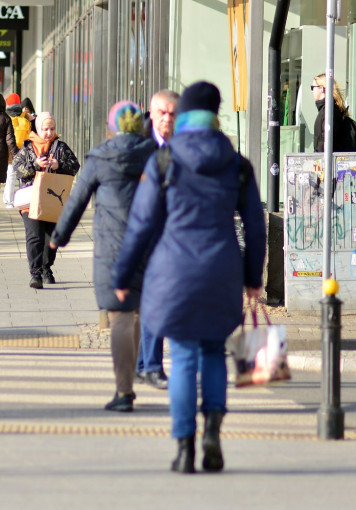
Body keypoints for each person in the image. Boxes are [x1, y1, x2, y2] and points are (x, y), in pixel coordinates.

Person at [112, 81, 266, 473]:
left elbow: (142, 224)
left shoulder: (164, 161)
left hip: (173, 272)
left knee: (181, 359)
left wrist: (124, 274)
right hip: (222, 272)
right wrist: (252, 279)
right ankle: (213, 432)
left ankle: (184, 448)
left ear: (183, 117)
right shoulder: (238, 164)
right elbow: (255, 226)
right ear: (216, 115)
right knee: (214, 352)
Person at [49, 102, 155, 413]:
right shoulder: (155, 153)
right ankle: (133, 371)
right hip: (152, 245)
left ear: (111, 127)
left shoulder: (100, 156)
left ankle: (124, 391)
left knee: (120, 316)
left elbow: (77, 200)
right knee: (136, 313)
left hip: (114, 246)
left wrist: (58, 238)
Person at [135, 88, 180, 390]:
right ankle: (149, 365)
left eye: (172, 113)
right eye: (161, 112)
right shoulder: (137, 146)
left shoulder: (185, 146)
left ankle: (145, 364)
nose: (166, 118)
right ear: (150, 113)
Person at [13, 112, 81, 288]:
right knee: (35, 236)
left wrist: (60, 165)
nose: (49, 132)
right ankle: (35, 273)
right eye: (45, 129)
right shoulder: (28, 147)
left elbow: (75, 165)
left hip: (53, 200)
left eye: (52, 129)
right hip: (31, 200)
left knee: (51, 237)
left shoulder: (61, 147)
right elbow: (18, 168)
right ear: (38, 128)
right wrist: (36, 165)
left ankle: (46, 268)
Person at [311, 73, 356, 152]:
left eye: (313, 87)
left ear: (322, 89)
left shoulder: (328, 111)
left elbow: (324, 143)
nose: (312, 91)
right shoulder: (331, 109)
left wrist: (319, 160)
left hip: (327, 161)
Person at [4, 93, 32, 208]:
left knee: (10, 175)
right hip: (24, 150)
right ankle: (23, 199)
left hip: (10, 149)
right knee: (23, 175)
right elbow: (29, 134)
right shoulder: (25, 117)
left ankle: (8, 201)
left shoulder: (5, 117)